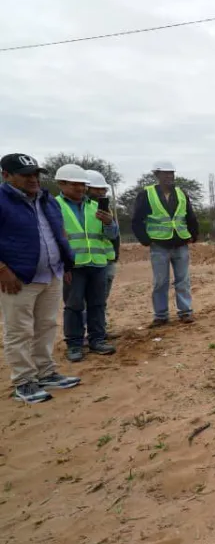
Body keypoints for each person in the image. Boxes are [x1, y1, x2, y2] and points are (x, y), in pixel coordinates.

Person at [0, 153, 80, 403]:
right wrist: (2, 269)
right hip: (18, 277)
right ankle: (24, 381)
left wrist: (65, 262)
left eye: (35, 174)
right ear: (6, 176)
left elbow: (60, 232)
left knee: (46, 326)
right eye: (26, 175)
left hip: (52, 273)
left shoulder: (47, 199)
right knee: (19, 331)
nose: (33, 179)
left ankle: (45, 373)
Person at [55, 164, 118, 362]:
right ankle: (74, 344)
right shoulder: (54, 206)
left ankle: (97, 339)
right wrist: (62, 265)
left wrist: (109, 223)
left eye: (83, 185)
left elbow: (111, 235)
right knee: (73, 306)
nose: (80, 189)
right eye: (75, 185)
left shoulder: (95, 206)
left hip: (97, 263)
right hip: (73, 266)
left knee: (97, 304)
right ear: (61, 184)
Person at [131, 160, 199, 326]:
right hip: (159, 245)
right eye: (165, 173)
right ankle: (161, 315)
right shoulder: (147, 194)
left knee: (183, 280)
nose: (169, 176)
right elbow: (137, 220)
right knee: (160, 282)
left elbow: (189, 215)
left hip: (180, 244)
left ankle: (185, 312)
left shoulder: (181, 193)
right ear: (157, 175)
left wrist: (193, 234)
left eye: (171, 173)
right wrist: (145, 240)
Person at [85, 169, 121, 338]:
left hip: (107, 259)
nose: (101, 192)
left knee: (100, 300)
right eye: (96, 189)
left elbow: (113, 236)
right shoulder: (81, 210)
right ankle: (86, 334)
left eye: (103, 190)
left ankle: (99, 331)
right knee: (85, 301)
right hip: (86, 261)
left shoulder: (105, 209)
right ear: (86, 188)